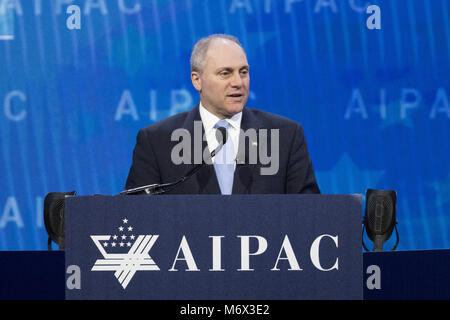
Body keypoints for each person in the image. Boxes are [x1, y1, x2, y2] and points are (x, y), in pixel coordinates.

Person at [125, 34, 320, 194]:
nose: (238, 82)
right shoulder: (156, 141)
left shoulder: (285, 135)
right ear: (197, 80)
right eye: (225, 73)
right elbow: (137, 217)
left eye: (243, 72)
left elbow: (310, 214)